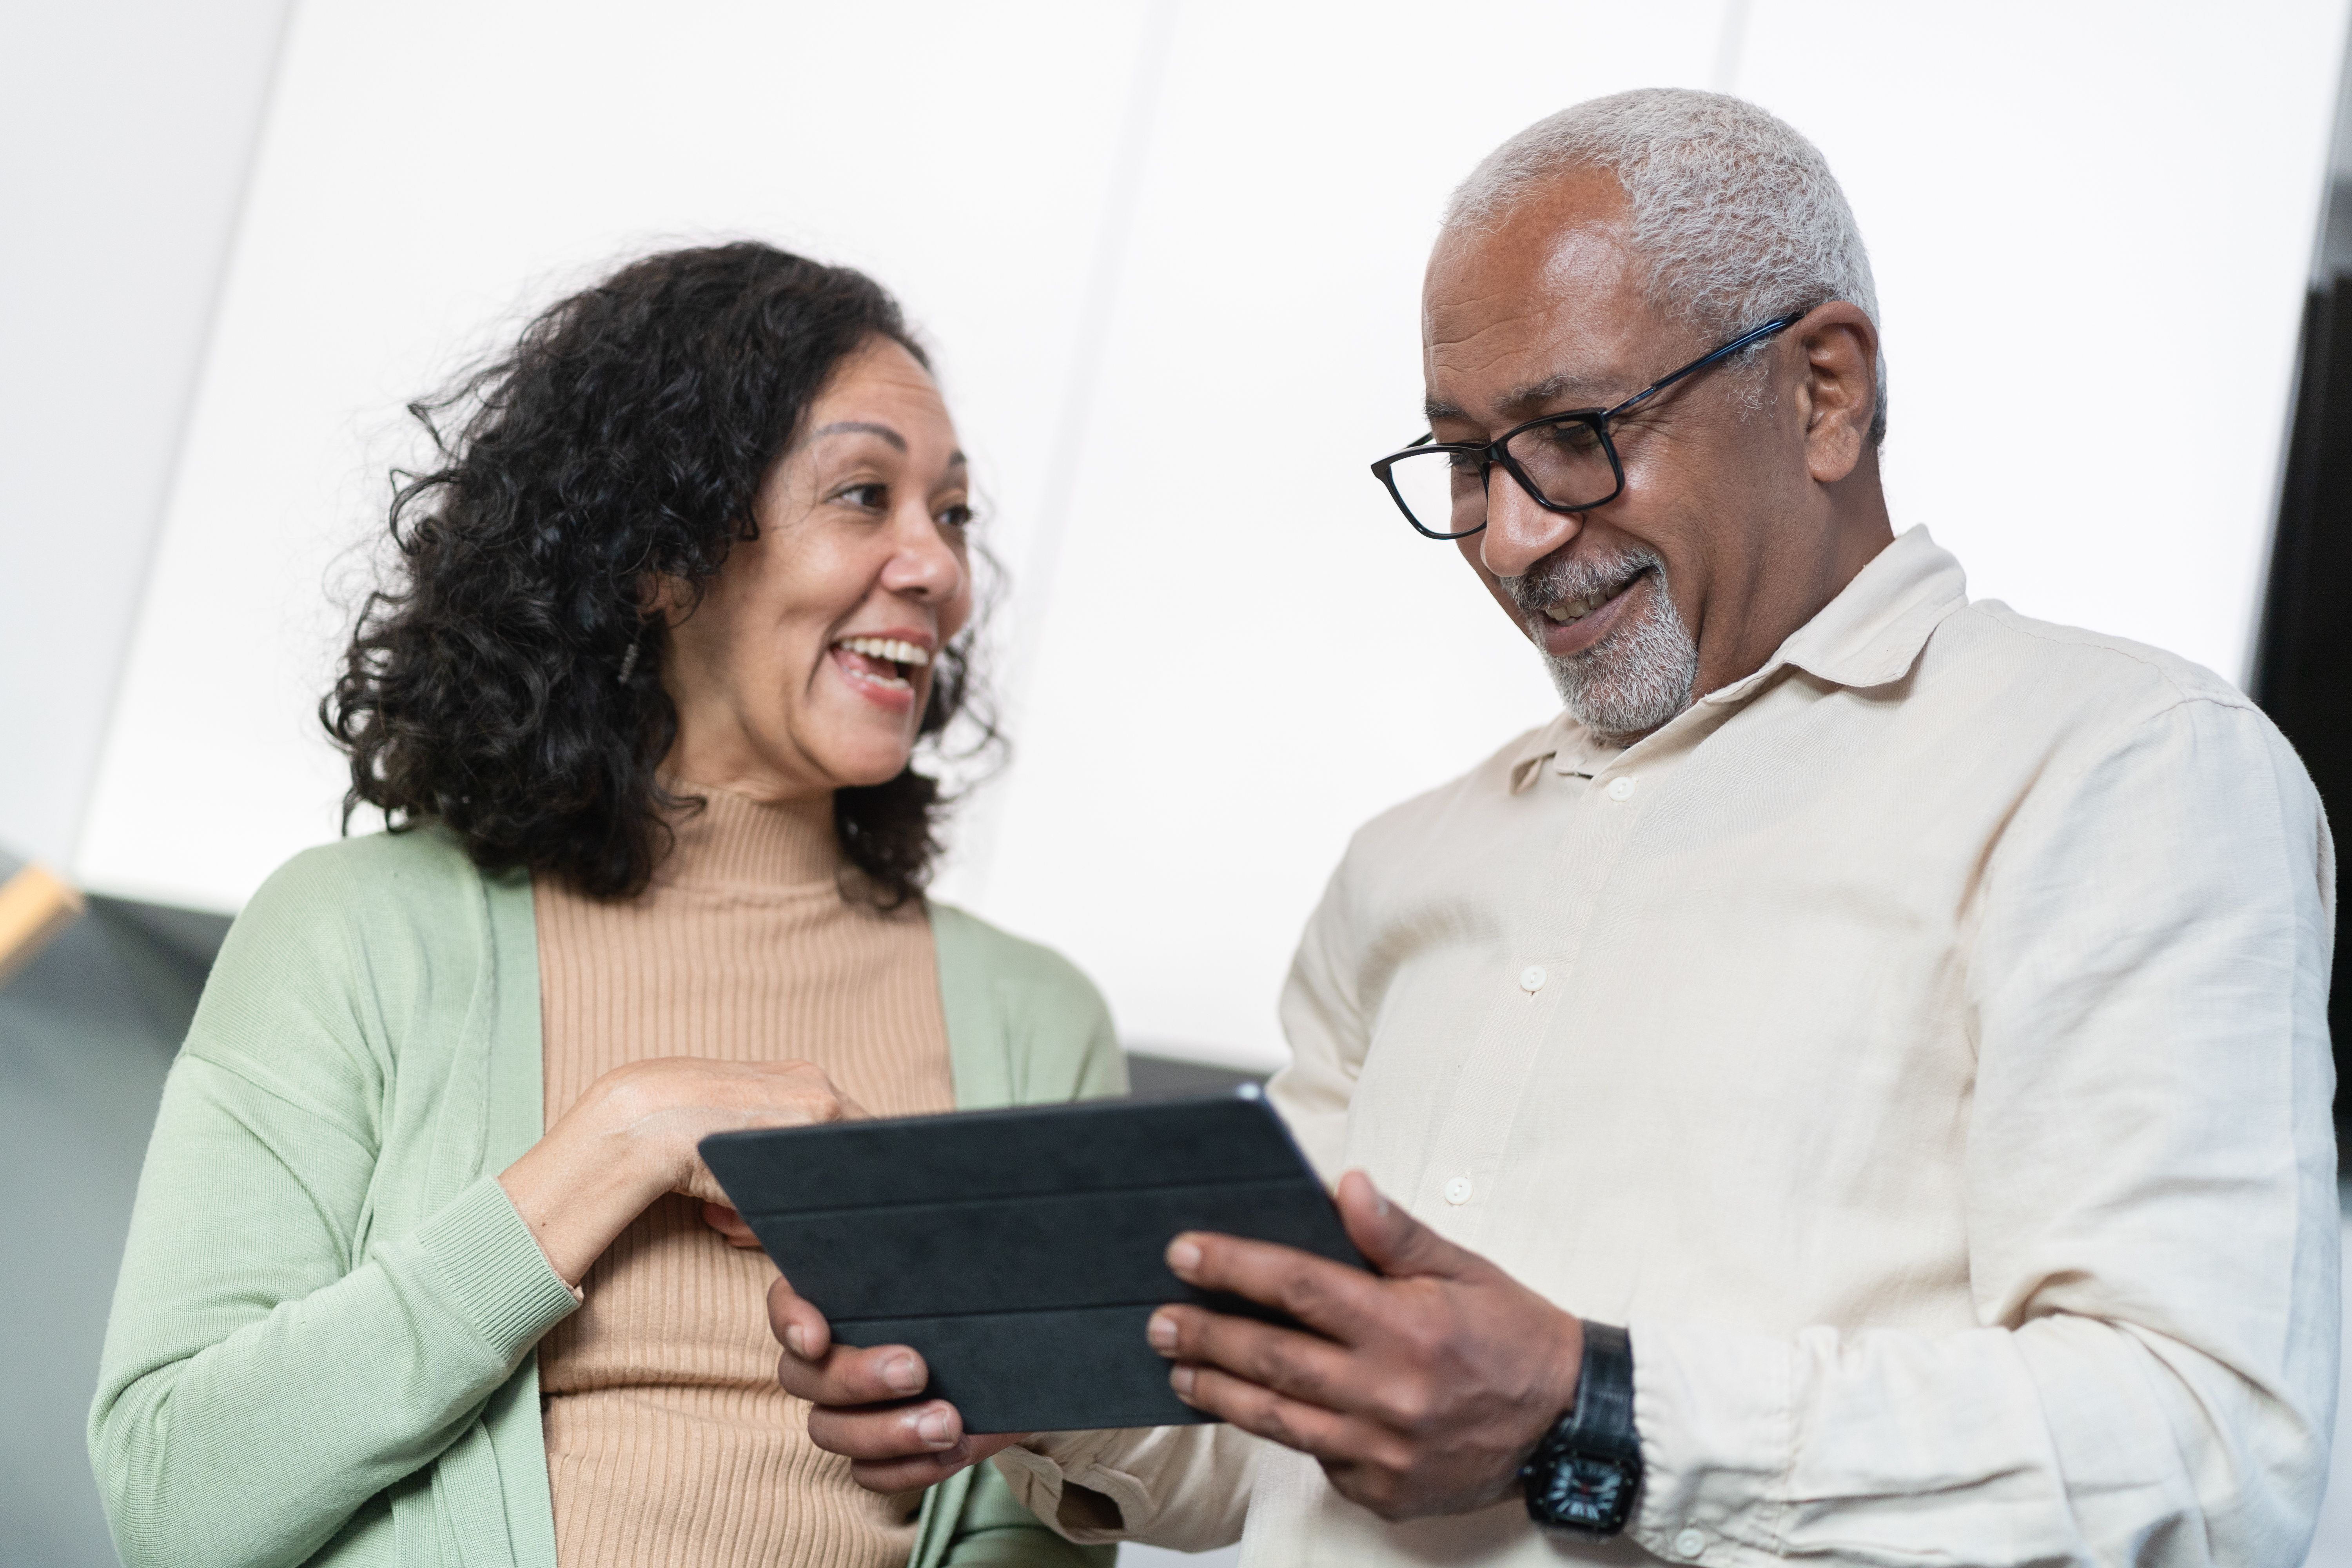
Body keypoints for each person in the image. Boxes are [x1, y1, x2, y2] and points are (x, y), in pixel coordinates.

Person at [769, 89, 2341, 1565]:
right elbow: (1274, 1439)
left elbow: (2211, 1458)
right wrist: (999, 1363)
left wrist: (1587, 1409)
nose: (1510, 536)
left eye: (1576, 432)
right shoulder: (1410, 864)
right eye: (1460, 460)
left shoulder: (2121, 771)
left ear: (1826, 388)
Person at [88, 243, 1118, 1568]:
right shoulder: (355, 935)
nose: (939, 572)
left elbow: (1034, 1538)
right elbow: (175, 1503)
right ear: (660, 559)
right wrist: (620, 1143)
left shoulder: (1036, 1029)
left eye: (956, 516)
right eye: (866, 496)